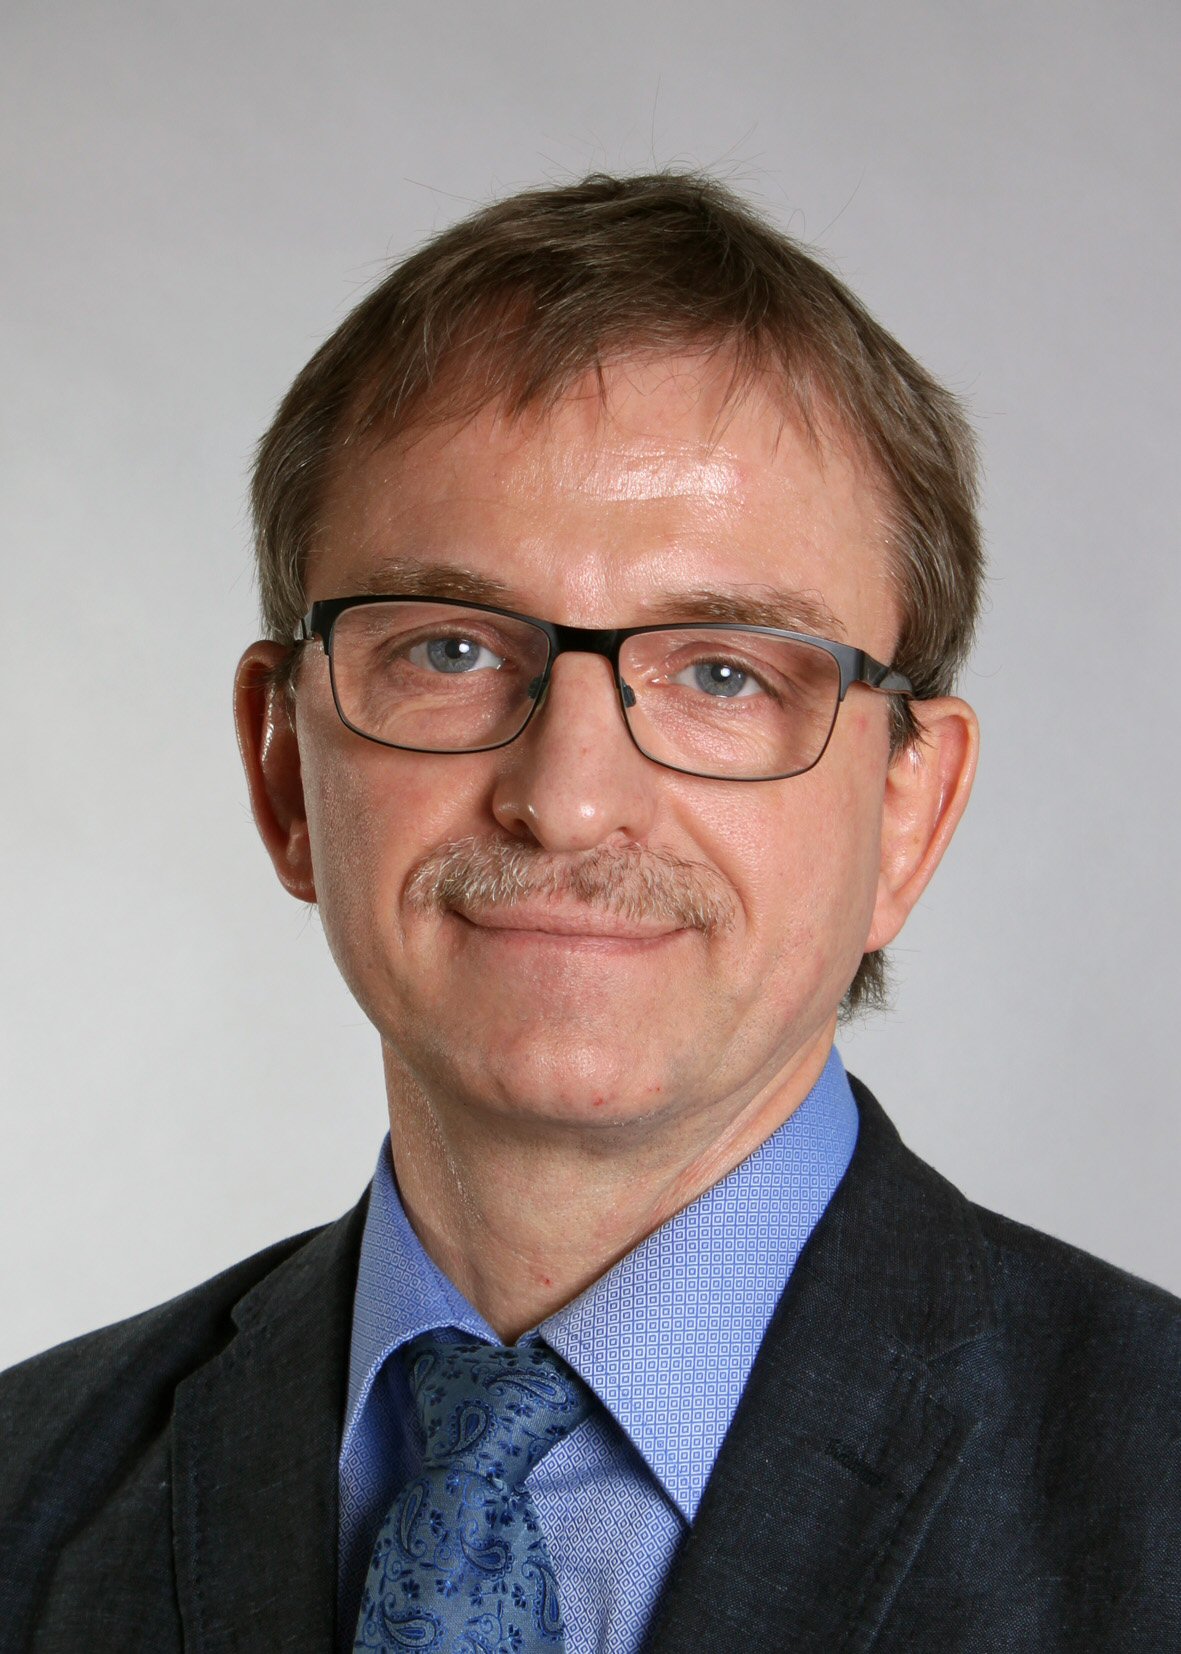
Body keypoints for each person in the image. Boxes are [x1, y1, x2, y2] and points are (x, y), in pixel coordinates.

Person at [1, 172, 1178, 1654]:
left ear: (906, 809)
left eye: (723, 672)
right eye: (446, 646)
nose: (564, 796)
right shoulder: (24, 1485)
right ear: (283, 765)